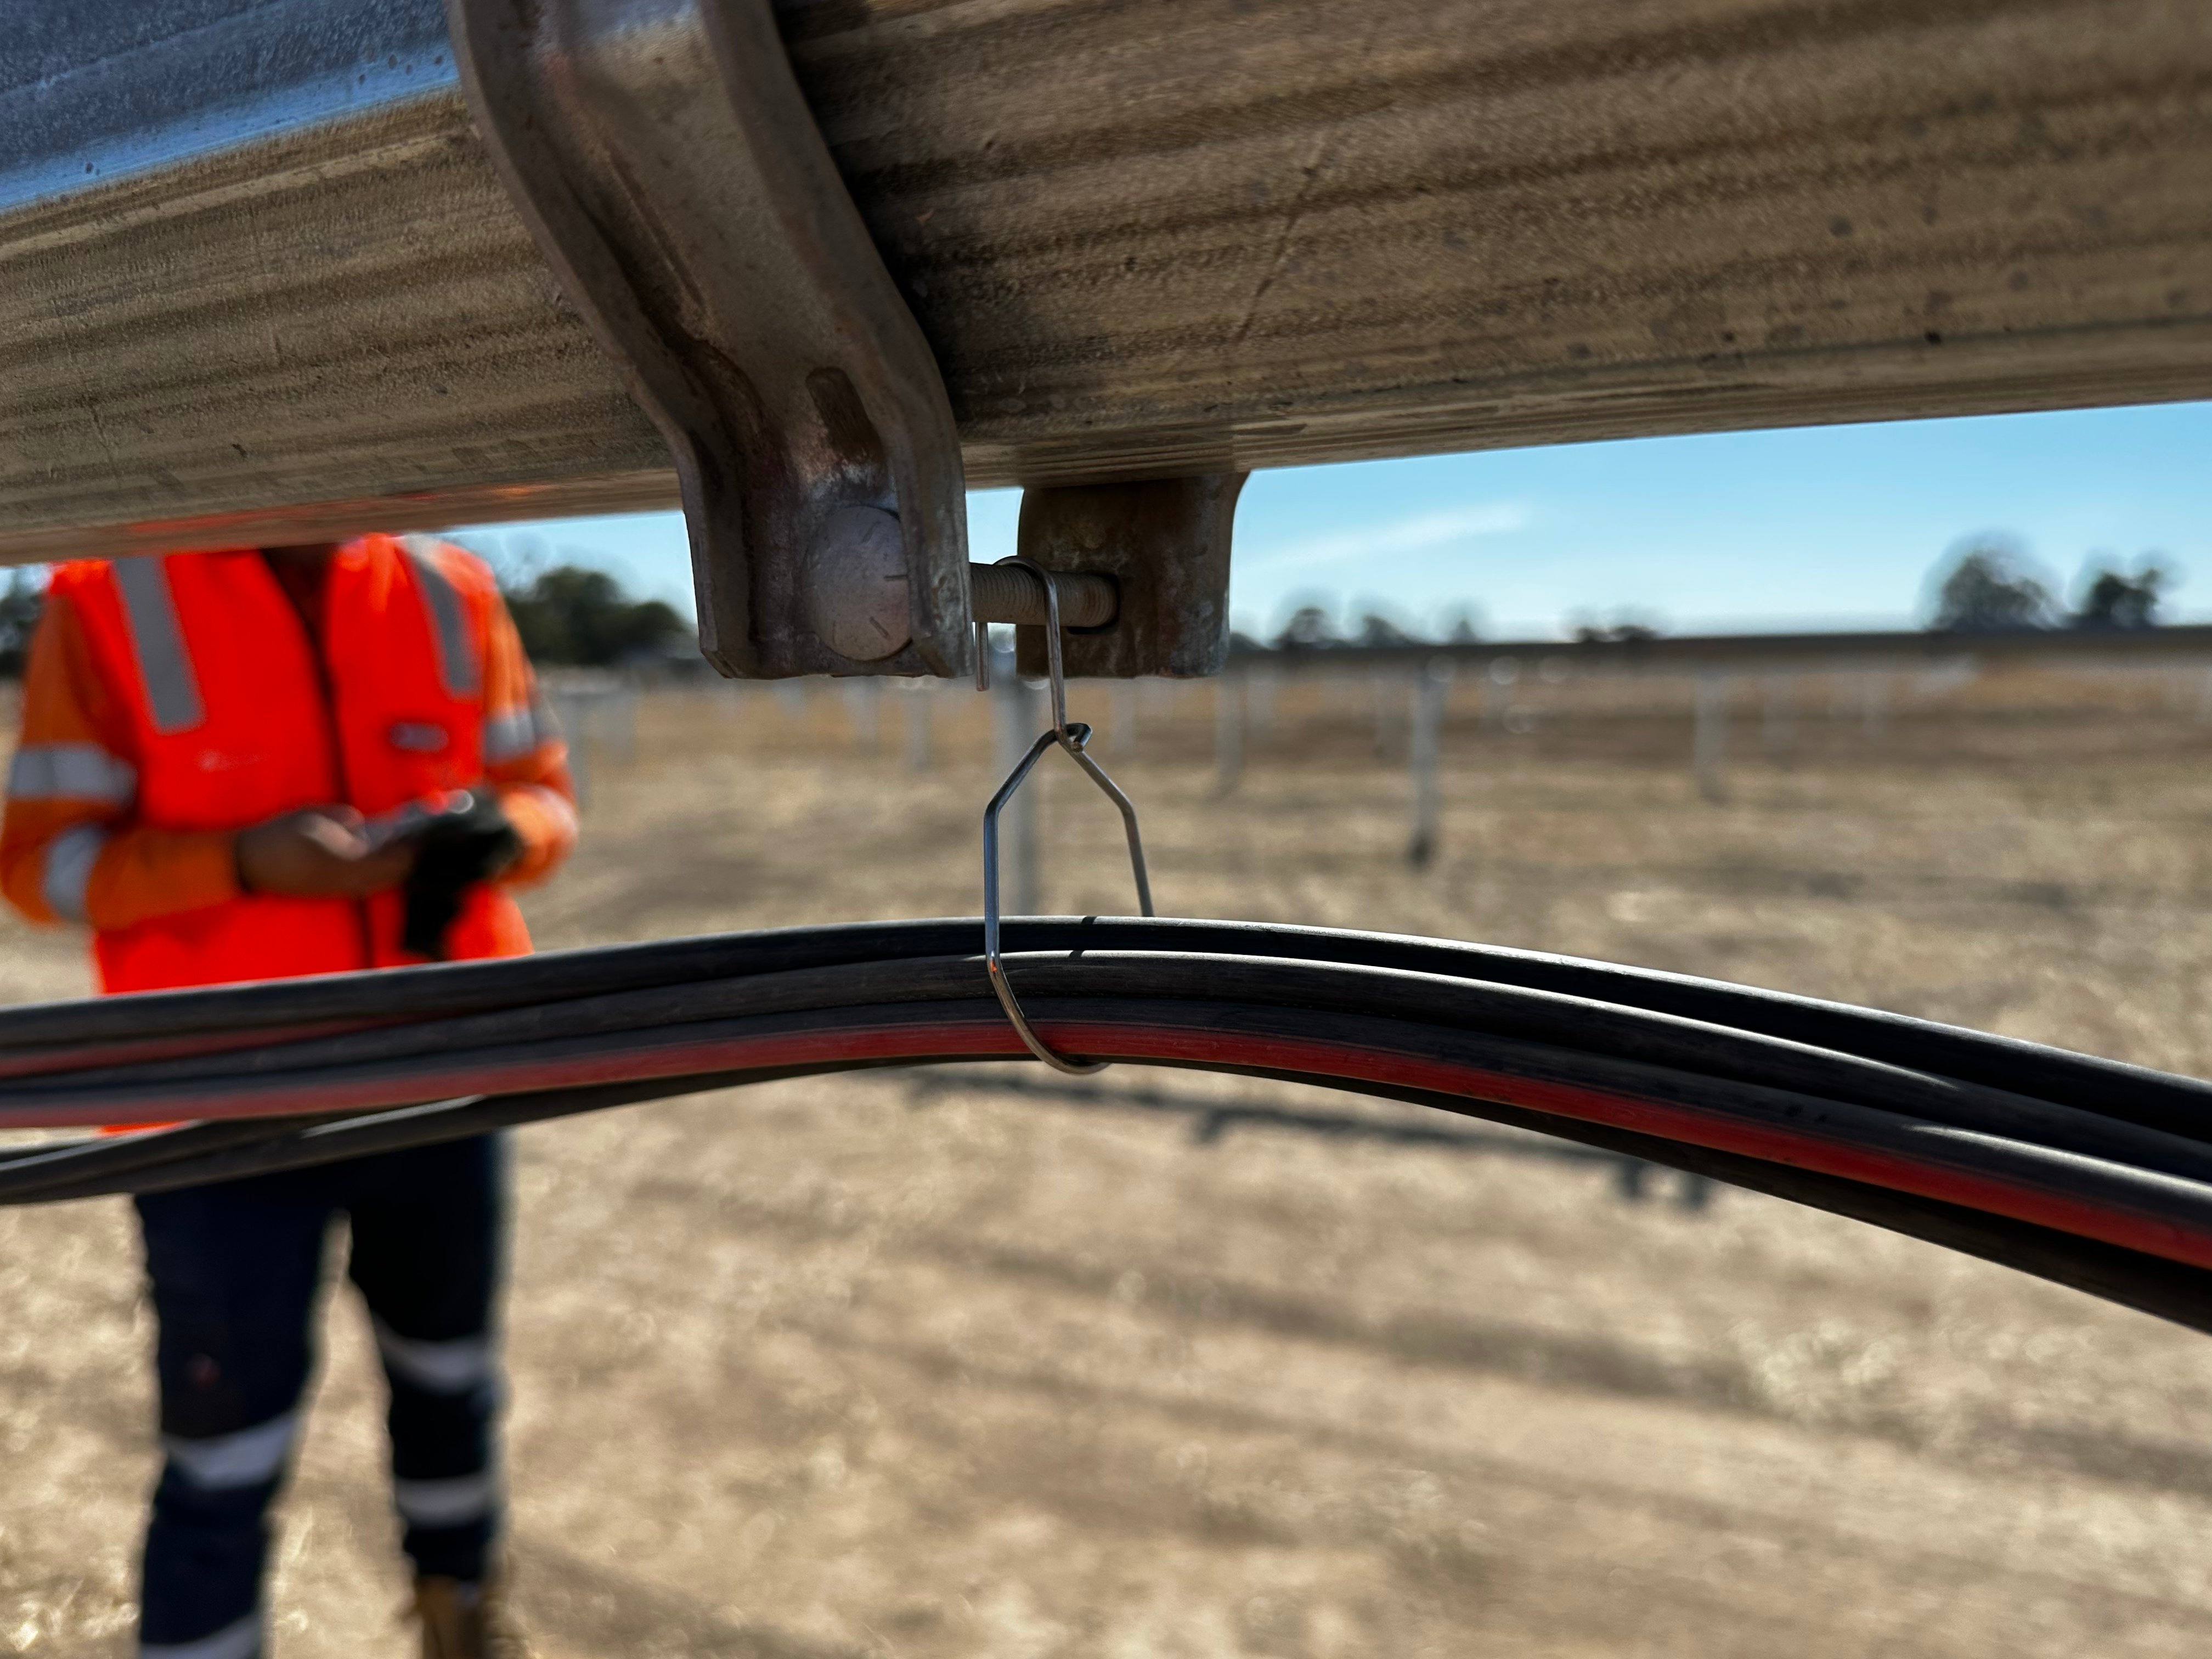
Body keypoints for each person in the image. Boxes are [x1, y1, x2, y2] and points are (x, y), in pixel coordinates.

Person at [1, 535, 578, 1659]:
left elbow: (546, 795)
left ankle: (462, 1617)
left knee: (453, 1385)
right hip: (217, 1110)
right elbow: (41, 864)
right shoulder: (107, 590)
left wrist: (499, 833)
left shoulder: (448, 586)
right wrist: (244, 862)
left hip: (440, 1074)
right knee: (225, 1451)